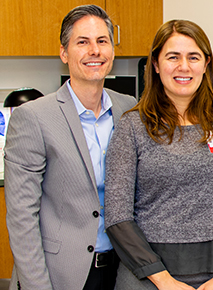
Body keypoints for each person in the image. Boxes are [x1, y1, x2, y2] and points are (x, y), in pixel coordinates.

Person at [104, 19, 213, 290]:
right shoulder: (133, 126)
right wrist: (163, 280)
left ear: (206, 64)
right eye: (172, 57)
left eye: (193, 57)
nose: (183, 67)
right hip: (147, 275)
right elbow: (118, 216)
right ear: (155, 64)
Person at [4, 5, 136, 290]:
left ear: (113, 50)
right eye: (82, 42)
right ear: (64, 53)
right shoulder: (34, 117)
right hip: (61, 273)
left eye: (102, 41)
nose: (95, 51)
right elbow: (22, 217)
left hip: (122, 269)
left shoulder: (129, 108)